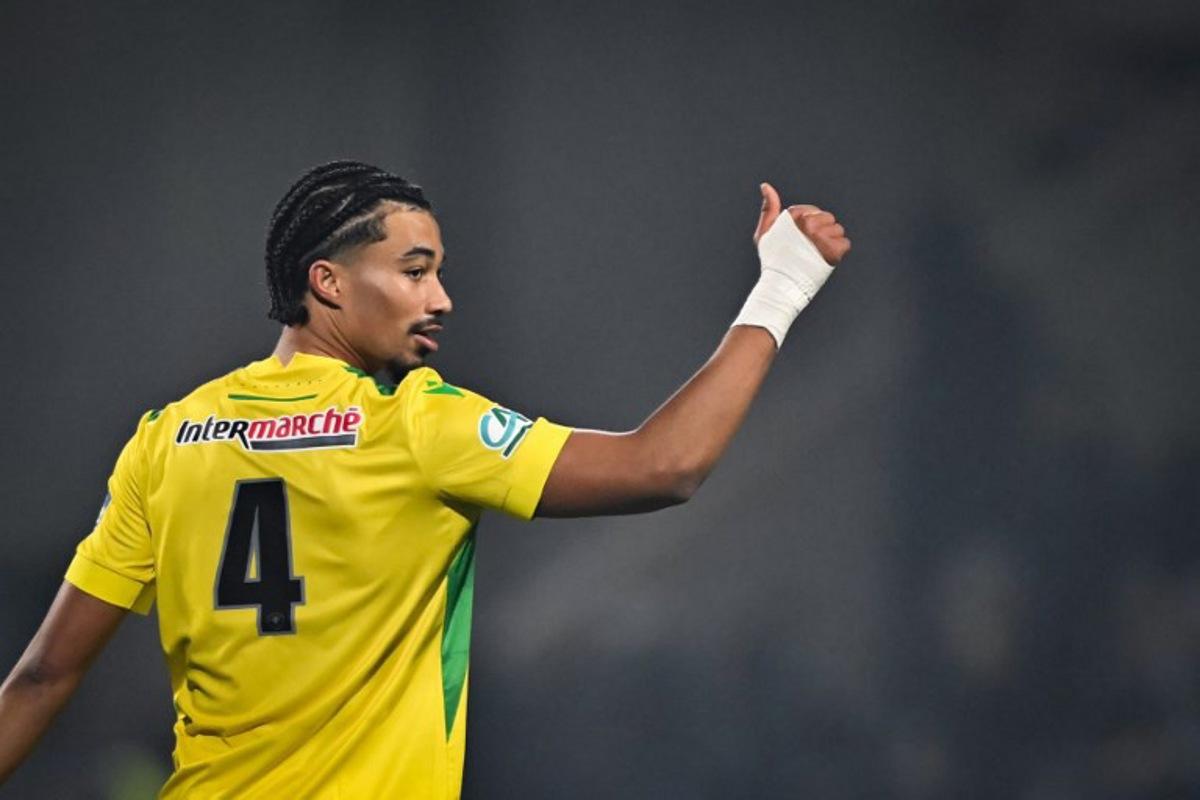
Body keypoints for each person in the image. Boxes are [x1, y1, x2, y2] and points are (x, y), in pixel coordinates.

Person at [0, 161, 850, 798]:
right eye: (414, 271)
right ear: (326, 283)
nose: (440, 296)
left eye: (438, 270)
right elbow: (665, 465)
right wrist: (781, 289)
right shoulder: (415, 424)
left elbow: (42, 675)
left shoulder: (168, 438)